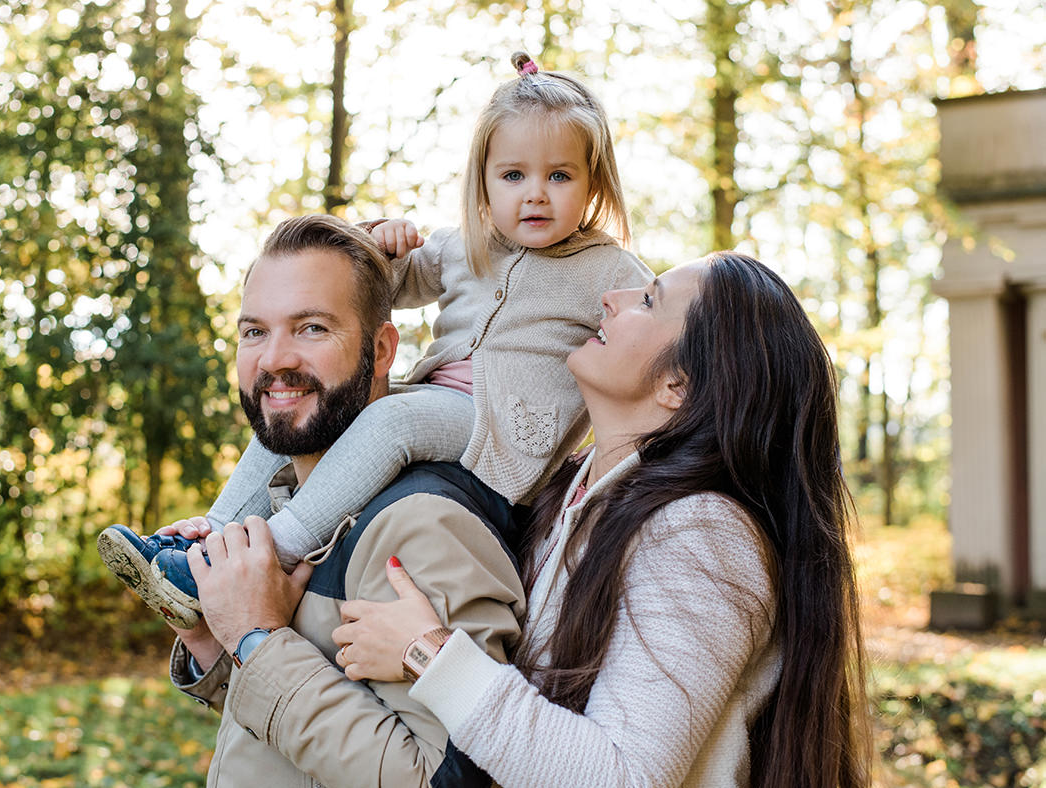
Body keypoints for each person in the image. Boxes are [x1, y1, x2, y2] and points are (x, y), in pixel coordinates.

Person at [96, 50, 650, 627]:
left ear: (594, 181)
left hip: (507, 429)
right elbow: (386, 291)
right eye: (514, 175)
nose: (535, 193)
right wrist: (386, 249)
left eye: (559, 175)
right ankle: (211, 543)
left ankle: (275, 550)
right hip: (436, 399)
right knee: (294, 404)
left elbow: (660, 337)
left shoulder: (610, 270)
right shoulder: (465, 245)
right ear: (483, 181)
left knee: (389, 423)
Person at [332, 252, 873, 787]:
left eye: (647, 300)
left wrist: (428, 654)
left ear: (678, 385)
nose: (609, 299)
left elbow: (623, 775)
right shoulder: (565, 490)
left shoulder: (701, 534)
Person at [165, 213, 527, 787]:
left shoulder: (418, 525)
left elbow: (455, 777)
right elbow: (305, 737)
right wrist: (220, 641)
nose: (274, 359)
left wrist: (257, 640)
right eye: (254, 331)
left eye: (311, 328)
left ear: (383, 350)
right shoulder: (297, 507)